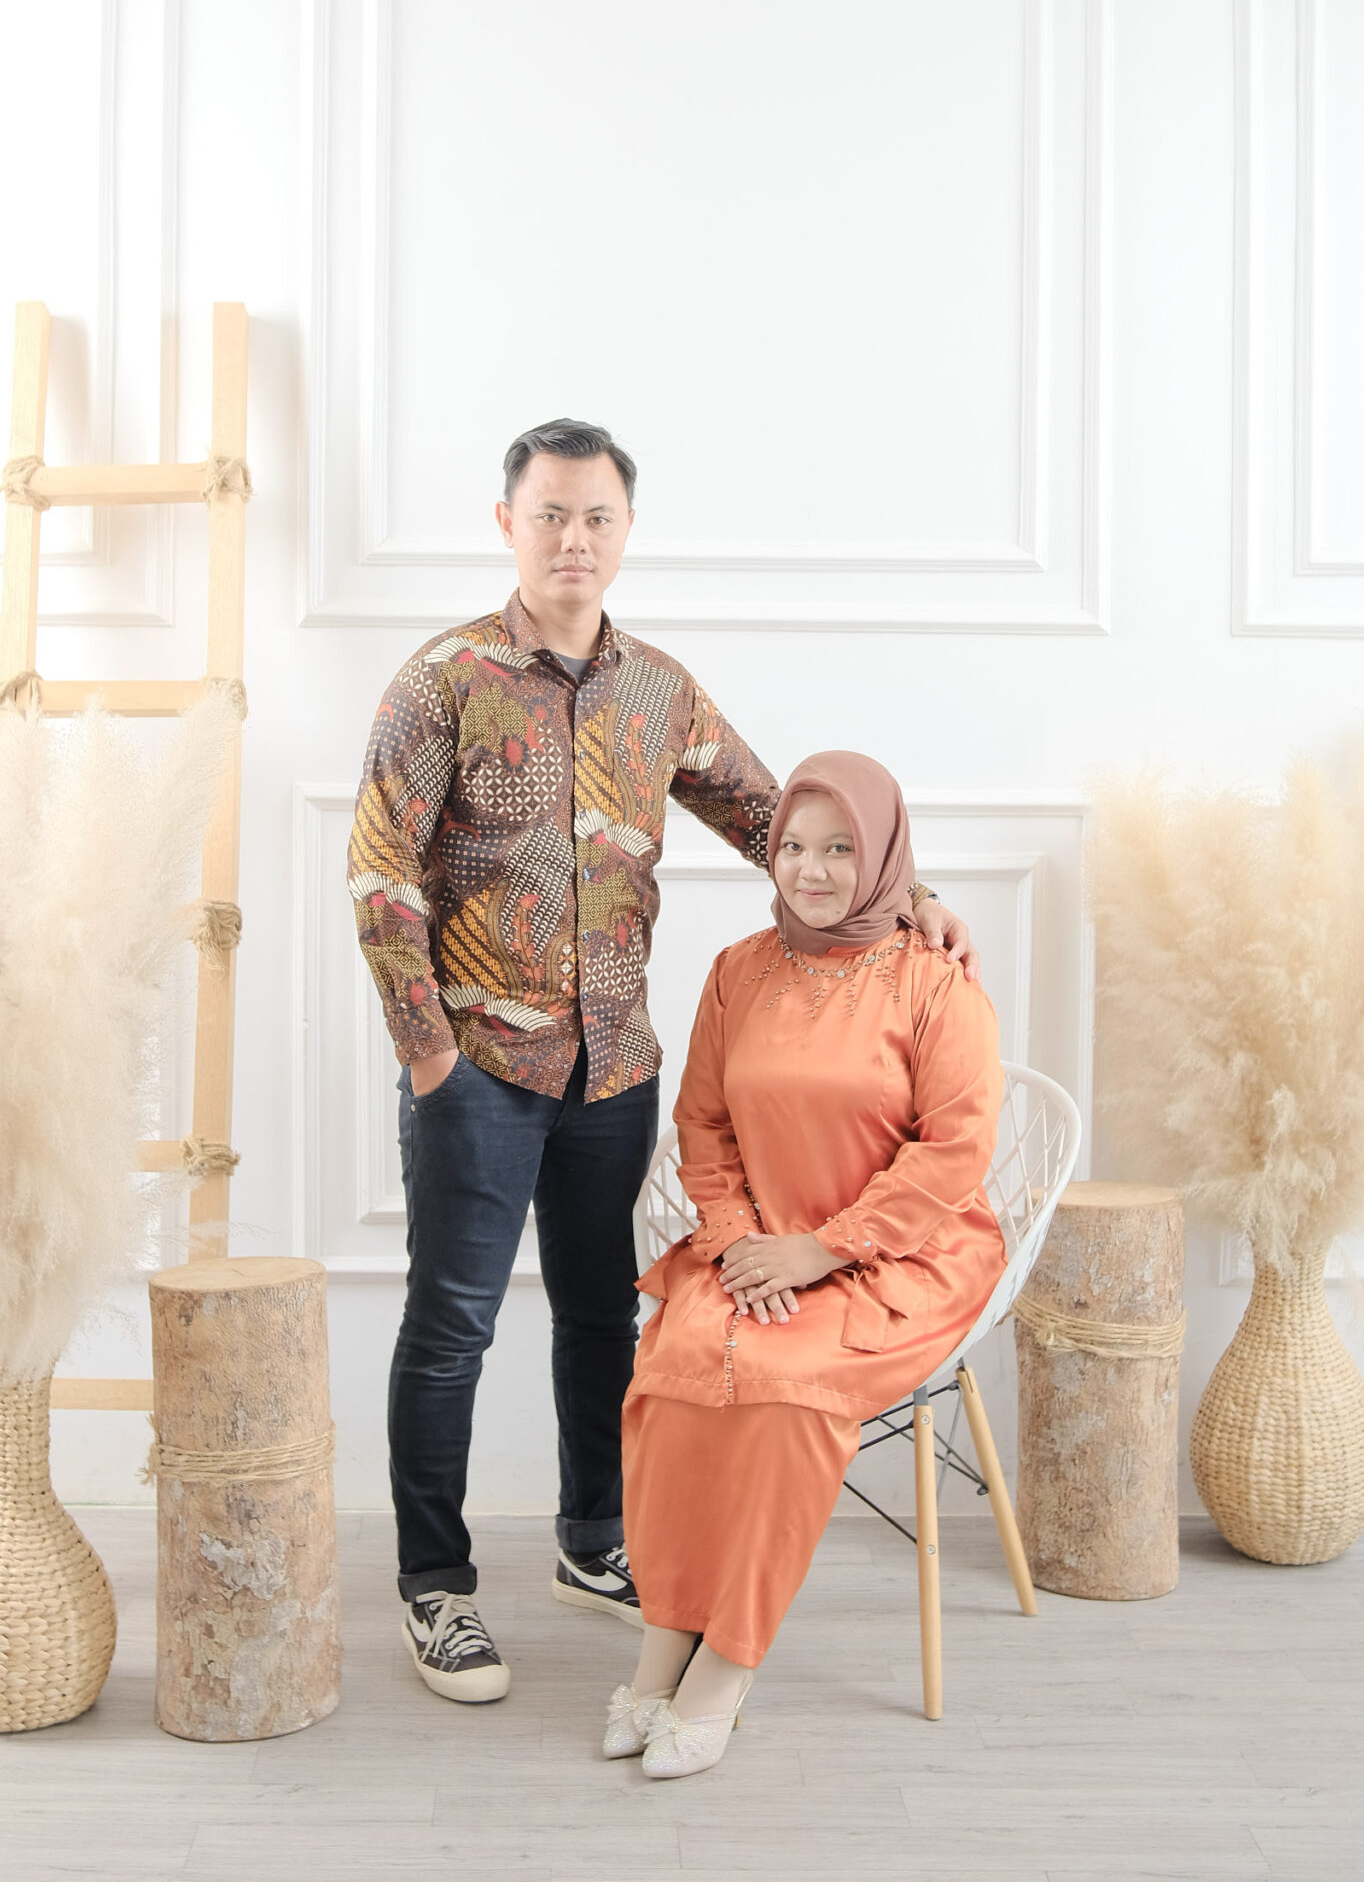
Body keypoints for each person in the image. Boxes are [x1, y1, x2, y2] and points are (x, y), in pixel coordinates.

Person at [350, 422, 979, 1703]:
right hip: (478, 1067)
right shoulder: (441, 682)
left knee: (601, 1316)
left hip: (614, 1068)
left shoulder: (661, 692)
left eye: (597, 516)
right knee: (453, 1324)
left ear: (626, 530)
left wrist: (914, 899)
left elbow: (775, 820)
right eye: (550, 514)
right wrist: (431, 1061)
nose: (573, 539)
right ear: (507, 523)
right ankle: (436, 1585)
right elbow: (380, 877)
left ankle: (594, 1541)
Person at [608, 750, 1004, 1778]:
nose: (810, 869)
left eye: (838, 848)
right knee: (672, 1367)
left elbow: (954, 1151)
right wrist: (740, 1239)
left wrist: (821, 1249)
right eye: (791, 845)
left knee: (784, 1387)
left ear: (882, 859)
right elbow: (703, 1124)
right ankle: (663, 1644)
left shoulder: (935, 982)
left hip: (901, 1254)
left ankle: (725, 1664)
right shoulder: (738, 971)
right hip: (758, 1245)